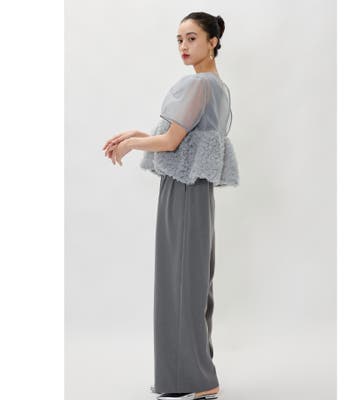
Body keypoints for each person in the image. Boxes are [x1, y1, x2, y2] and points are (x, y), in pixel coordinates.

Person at [102, 11, 239, 400]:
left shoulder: (198, 85)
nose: (183, 46)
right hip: (195, 190)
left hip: (183, 189)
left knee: (180, 282)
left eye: (192, 38)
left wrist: (132, 145)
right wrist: (134, 134)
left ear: (213, 41)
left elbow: (171, 142)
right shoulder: (216, 86)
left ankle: (198, 378)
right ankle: (190, 376)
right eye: (179, 39)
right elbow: (185, 136)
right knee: (190, 282)